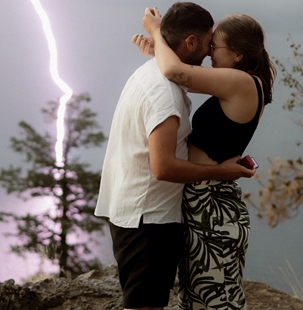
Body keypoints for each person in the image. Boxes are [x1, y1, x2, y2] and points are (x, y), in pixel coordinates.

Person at [94, 3, 255, 310]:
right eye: (209, 43)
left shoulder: (151, 74)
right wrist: (220, 172)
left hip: (139, 214)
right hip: (149, 220)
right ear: (191, 42)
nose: (209, 53)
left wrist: (158, 44)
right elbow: (163, 166)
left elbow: (176, 70)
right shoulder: (164, 92)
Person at [132, 7, 276, 310]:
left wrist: (157, 31)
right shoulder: (243, 83)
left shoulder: (243, 83)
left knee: (215, 302)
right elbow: (178, 75)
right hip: (206, 204)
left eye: (215, 46)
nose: (209, 51)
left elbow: (174, 72)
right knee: (200, 300)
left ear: (237, 55)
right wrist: (158, 52)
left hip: (212, 209)